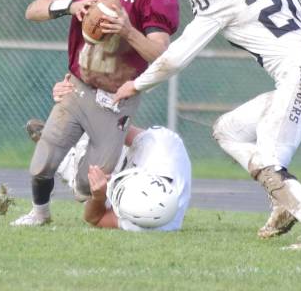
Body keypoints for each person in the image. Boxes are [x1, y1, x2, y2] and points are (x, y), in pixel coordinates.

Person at [113, 0, 301, 251]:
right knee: (228, 130)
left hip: (298, 78)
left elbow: (177, 56)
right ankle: (283, 201)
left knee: (268, 162)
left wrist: (138, 84)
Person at [11, 0, 179, 227]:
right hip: (78, 86)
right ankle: (40, 212)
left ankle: (75, 160)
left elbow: (160, 54)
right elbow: (32, 11)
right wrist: (69, 6)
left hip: (117, 97)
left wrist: (128, 30)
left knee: (91, 183)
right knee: (42, 161)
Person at [23, 77, 192, 231]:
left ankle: (65, 163)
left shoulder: (146, 222)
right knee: (97, 147)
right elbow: (116, 130)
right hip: (124, 153)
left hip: (126, 180)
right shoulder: (162, 145)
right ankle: (65, 152)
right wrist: (73, 101)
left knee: (86, 185)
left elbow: (95, 218)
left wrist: (98, 196)